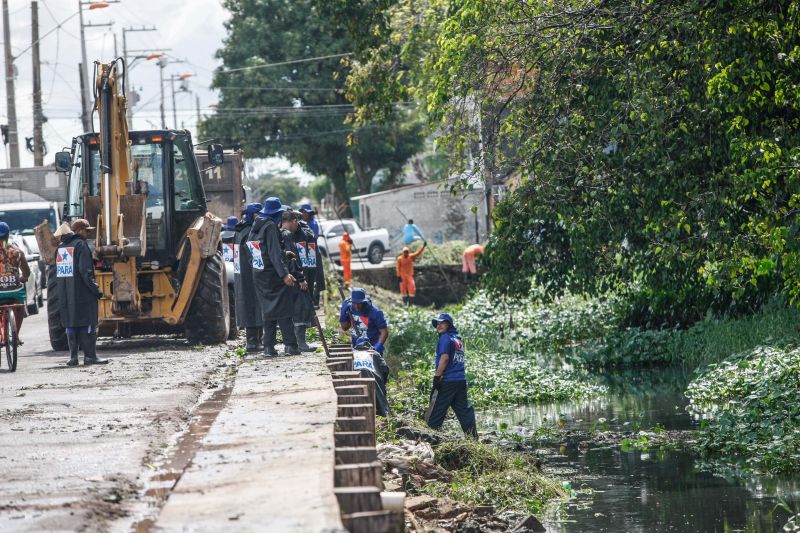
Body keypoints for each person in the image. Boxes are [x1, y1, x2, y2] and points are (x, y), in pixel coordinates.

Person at [249, 197, 299, 356]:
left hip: (260, 274)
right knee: (284, 309)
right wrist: (285, 274)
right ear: (277, 214)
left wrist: (285, 254)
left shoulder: (256, 227)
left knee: (268, 311)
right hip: (273, 275)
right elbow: (273, 253)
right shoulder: (270, 227)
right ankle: (291, 345)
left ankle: (268, 347)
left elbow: (259, 250)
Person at [56, 219, 108, 366]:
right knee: (88, 323)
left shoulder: (60, 248)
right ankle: (90, 356)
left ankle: (73, 358)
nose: (89, 233)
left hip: (66, 295)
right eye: (87, 230)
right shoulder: (81, 245)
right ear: (78, 230)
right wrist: (96, 290)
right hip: (82, 293)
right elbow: (85, 272)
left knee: (70, 324)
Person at [426, 313, 477, 438]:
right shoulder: (458, 339)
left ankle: (431, 438)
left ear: (449, 325)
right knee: (464, 411)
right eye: (437, 324)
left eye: (442, 323)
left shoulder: (445, 338)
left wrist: (437, 377)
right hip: (460, 380)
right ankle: (472, 438)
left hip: (447, 380)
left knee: (436, 410)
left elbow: (445, 358)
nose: (439, 326)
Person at [280, 210, 316, 353]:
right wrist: (301, 278)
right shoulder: (287, 235)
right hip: (294, 278)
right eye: (296, 223)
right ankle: (300, 343)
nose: (298, 226)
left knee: (292, 311)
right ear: (293, 221)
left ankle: (292, 344)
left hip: (285, 277)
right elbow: (292, 259)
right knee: (300, 308)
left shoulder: (277, 233)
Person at [339, 287, 390, 384]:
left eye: (359, 303)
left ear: (364, 301)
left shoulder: (375, 312)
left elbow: (384, 332)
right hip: (357, 349)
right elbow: (345, 327)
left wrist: (378, 347)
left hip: (373, 349)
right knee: (360, 378)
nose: (357, 306)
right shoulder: (350, 309)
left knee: (377, 378)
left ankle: (381, 395)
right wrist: (343, 314)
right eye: (354, 303)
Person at [234, 203, 263, 352]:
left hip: (242, 277)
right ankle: (254, 341)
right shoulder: (249, 232)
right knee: (255, 307)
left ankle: (254, 340)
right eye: (258, 214)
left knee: (248, 306)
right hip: (251, 276)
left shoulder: (239, 230)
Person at [0, 222, 30, 343]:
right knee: (20, 307)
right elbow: (26, 271)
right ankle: (16, 336)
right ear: (8, 235)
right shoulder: (17, 251)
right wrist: (23, 278)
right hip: (15, 293)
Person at [299, 204, 324, 308]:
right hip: (307, 252)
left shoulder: (312, 224)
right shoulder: (304, 224)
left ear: (309, 214)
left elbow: (312, 238)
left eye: (306, 212)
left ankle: (315, 301)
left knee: (315, 277)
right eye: (303, 212)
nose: (304, 214)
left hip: (313, 252)